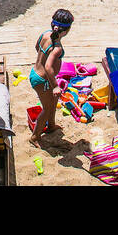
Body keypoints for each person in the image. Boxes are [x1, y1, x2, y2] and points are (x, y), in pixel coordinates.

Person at [29, 9, 74, 144]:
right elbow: (48, 67)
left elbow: (37, 47)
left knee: (53, 102)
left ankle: (51, 126)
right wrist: (55, 86)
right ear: (66, 30)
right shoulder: (57, 48)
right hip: (43, 80)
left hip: (36, 73)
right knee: (47, 109)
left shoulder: (45, 35)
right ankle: (35, 136)